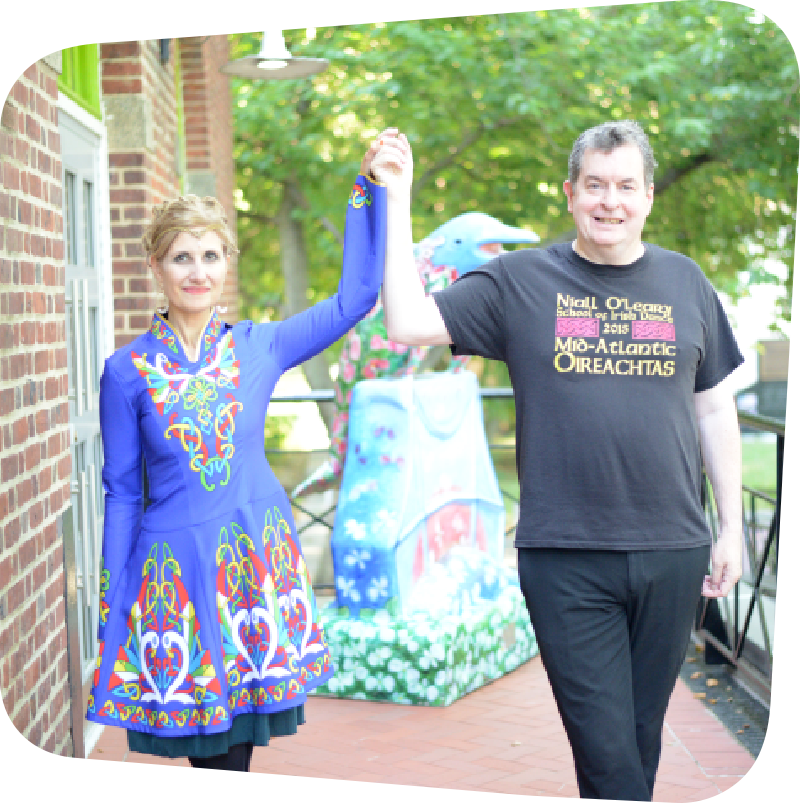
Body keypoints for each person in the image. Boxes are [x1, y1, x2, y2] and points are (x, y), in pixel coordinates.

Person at [368, 122, 744, 801]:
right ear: (571, 194)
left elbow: (714, 409)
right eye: (595, 185)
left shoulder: (686, 282)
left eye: (626, 185)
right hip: (566, 557)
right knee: (606, 752)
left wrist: (733, 529)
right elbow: (405, 322)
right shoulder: (520, 282)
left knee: (639, 737)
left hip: (675, 549)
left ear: (648, 195)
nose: (610, 201)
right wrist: (398, 199)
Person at [86, 149, 387, 771]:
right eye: (182, 256)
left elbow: (356, 297)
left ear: (228, 262)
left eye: (211, 255)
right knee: (212, 758)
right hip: (175, 578)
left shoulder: (261, 346)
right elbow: (121, 494)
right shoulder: (123, 372)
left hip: (254, 570)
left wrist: (371, 192)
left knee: (238, 755)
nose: (198, 271)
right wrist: (112, 605)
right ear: (156, 267)